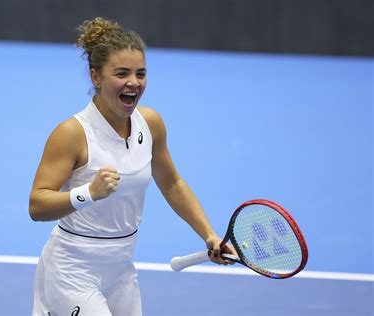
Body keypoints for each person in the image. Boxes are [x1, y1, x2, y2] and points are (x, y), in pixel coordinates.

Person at [29, 17, 236, 316]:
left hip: (121, 270)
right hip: (71, 271)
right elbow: (37, 205)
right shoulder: (72, 134)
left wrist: (209, 236)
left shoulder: (150, 124)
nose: (133, 82)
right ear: (96, 77)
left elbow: (173, 183)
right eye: (122, 73)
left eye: (141, 73)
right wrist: (88, 193)